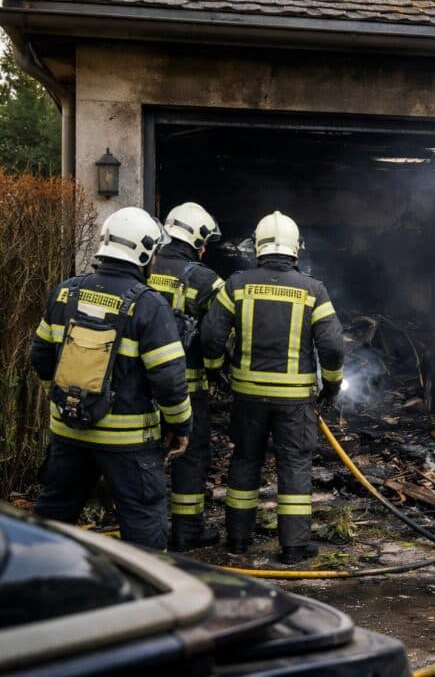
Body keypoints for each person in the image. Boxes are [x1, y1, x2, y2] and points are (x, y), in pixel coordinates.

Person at [31, 206, 191, 550]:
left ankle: (37, 591)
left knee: (52, 520)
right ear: (145, 253)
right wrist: (181, 427)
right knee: (143, 526)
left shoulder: (65, 293)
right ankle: (149, 599)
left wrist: (61, 400)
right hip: (128, 443)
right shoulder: (149, 306)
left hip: (69, 432)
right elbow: (170, 380)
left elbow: (40, 356)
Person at [201, 211, 344, 564]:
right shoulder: (314, 290)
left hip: (247, 396)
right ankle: (294, 548)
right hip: (295, 400)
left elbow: (211, 336)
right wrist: (332, 386)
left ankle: (237, 540)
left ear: (258, 246)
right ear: (296, 248)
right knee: (294, 465)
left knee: (245, 461)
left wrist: (217, 370)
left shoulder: (236, 285)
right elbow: (333, 346)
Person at [149, 202, 226, 551]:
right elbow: (217, 335)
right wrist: (216, 369)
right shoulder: (206, 280)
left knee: (144, 455)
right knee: (191, 456)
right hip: (188, 387)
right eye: (204, 241)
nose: (205, 249)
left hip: (140, 387)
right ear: (196, 240)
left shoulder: (143, 268)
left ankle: (146, 529)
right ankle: (186, 530)